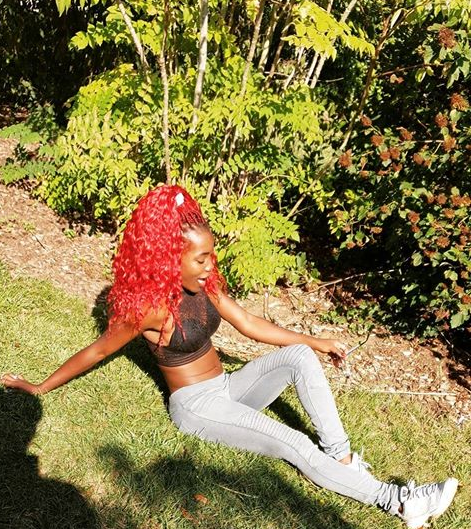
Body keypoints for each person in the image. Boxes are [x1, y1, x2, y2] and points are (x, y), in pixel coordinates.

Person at [1, 185, 458, 529]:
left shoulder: (205, 284)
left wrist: (314, 340)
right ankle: (401, 502)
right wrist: (39, 386)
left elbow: (248, 322)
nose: (208, 266)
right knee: (294, 444)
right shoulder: (150, 309)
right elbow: (98, 349)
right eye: (200, 258)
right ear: (169, 258)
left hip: (229, 388)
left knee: (299, 356)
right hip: (197, 406)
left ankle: (341, 459)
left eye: (210, 256)